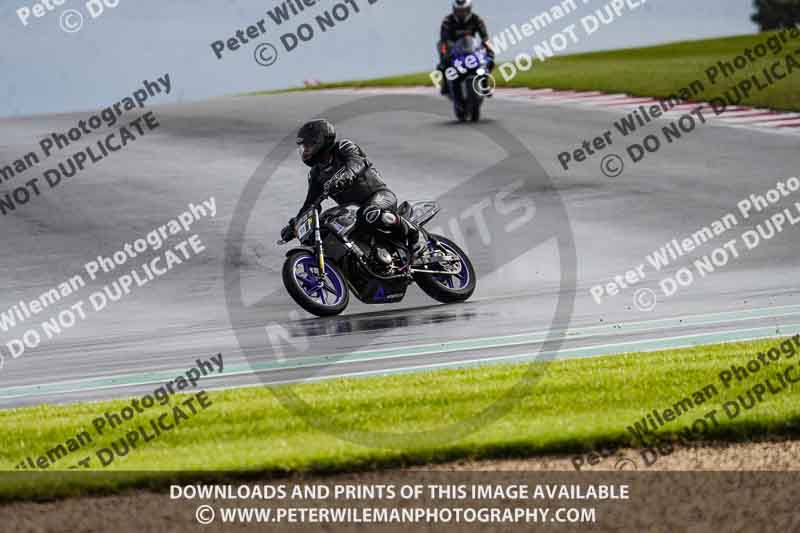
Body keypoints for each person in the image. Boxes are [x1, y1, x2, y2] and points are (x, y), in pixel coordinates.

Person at [281, 119, 420, 252]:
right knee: (327, 224)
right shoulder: (316, 174)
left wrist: (346, 176)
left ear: (320, 142)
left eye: (308, 146)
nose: (305, 151)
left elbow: (357, 163)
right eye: (303, 147)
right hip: (354, 210)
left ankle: (412, 232)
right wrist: (295, 225)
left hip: (379, 196)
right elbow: (310, 204)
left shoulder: (344, 147)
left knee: (368, 213)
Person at [437, 0, 495, 95]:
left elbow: (485, 37)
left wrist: (490, 51)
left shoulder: (477, 19)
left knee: (489, 62)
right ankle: (445, 83)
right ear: (454, 10)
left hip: (471, 48)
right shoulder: (447, 21)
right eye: (459, 11)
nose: (462, 13)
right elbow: (444, 39)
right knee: (442, 57)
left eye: (464, 10)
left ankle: (484, 84)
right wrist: (445, 55)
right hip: (454, 49)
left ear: (469, 9)